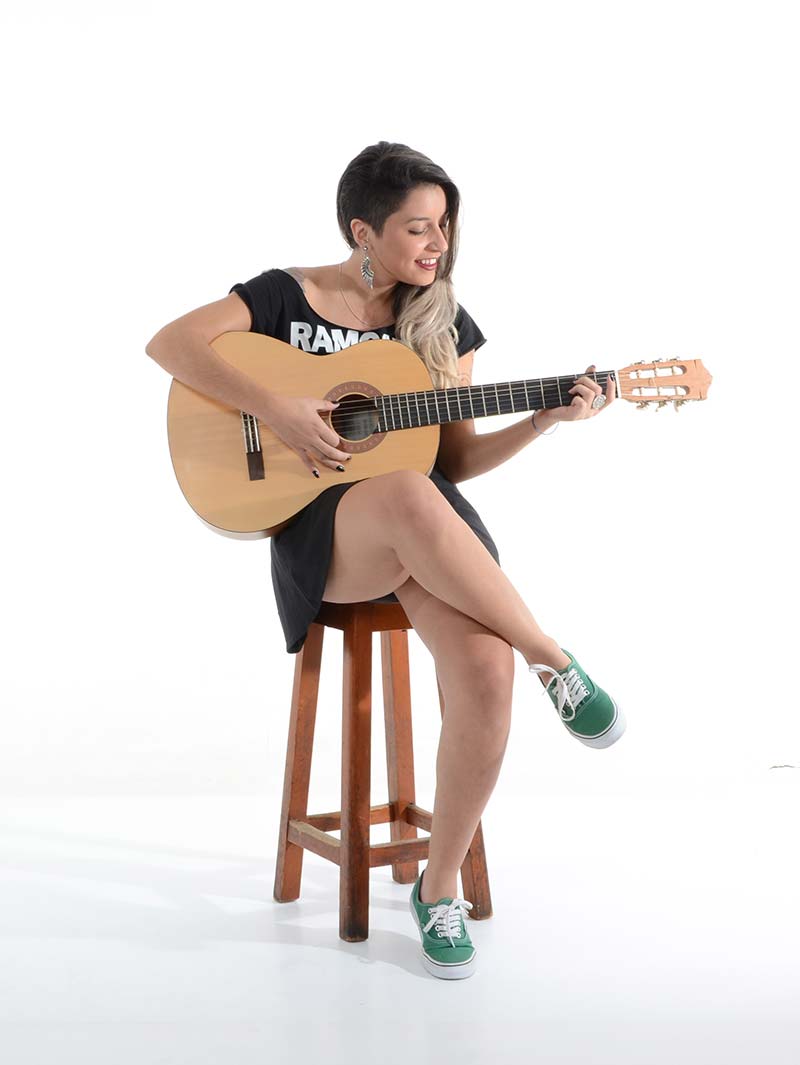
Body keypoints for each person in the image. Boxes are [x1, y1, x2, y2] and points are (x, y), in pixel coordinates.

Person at [145, 140, 625, 980]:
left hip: (426, 530)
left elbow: (455, 461)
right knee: (404, 490)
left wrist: (543, 418)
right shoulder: (282, 295)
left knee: (486, 669)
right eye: (417, 227)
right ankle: (554, 657)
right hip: (326, 533)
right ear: (362, 230)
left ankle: (437, 888)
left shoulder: (440, 323)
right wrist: (279, 410)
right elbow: (170, 344)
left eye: (444, 225)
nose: (438, 243)